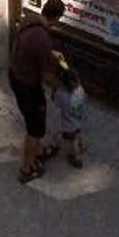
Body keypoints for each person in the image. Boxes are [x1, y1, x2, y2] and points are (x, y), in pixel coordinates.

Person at [9, 0, 66, 183]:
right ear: (57, 19)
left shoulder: (29, 19)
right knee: (35, 130)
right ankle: (27, 168)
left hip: (15, 75)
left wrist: (47, 54)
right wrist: (60, 87)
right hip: (28, 86)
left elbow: (30, 48)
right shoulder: (43, 39)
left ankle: (39, 150)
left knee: (31, 119)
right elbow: (48, 78)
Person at [48, 33, 89, 168]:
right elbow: (69, 74)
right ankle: (82, 145)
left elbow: (54, 100)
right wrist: (63, 63)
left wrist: (54, 89)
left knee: (71, 142)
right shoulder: (80, 90)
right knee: (78, 133)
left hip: (68, 125)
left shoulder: (63, 96)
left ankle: (75, 157)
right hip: (79, 119)